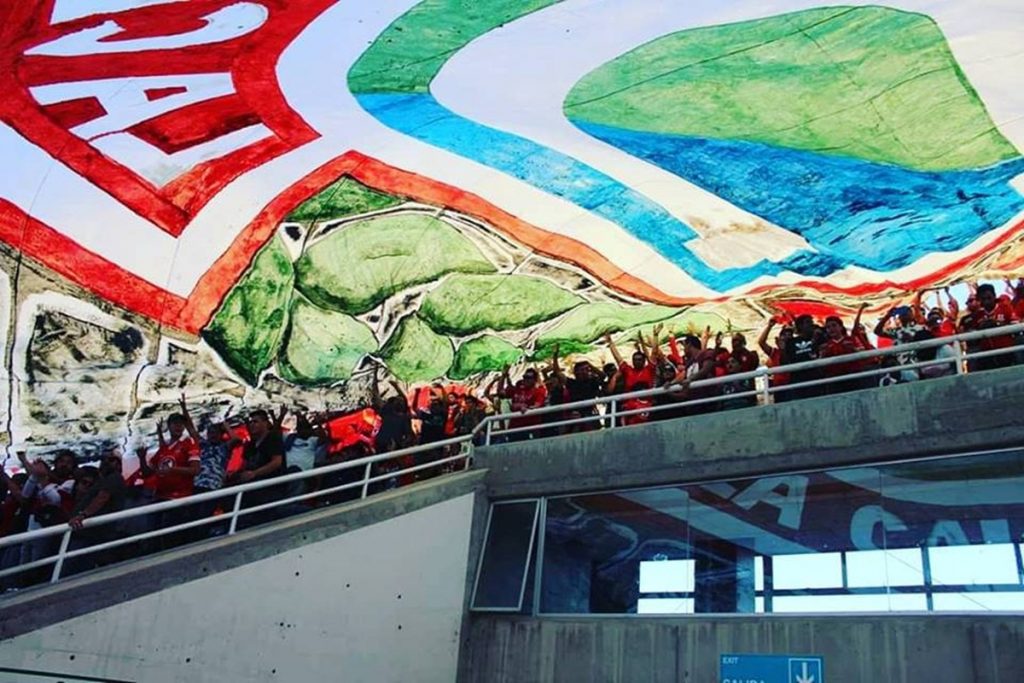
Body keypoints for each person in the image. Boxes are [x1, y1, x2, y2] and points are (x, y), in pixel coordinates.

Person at [65, 452, 126, 575]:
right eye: (104, 459)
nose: (107, 462)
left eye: (112, 460)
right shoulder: (103, 479)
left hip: (93, 531)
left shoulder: (114, 478)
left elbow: (102, 498)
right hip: (89, 530)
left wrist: (83, 515)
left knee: (75, 565)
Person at [959, 282, 1018, 371]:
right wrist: (981, 328)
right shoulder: (977, 316)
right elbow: (972, 336)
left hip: (1006, 352)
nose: (987, 301)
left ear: (994, 296)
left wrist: (997, 324)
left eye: (989, 298)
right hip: (987, 356)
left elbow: (1016, 327)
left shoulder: (1005, 308)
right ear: (979, 300)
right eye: (983, 299)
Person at [780, 314, 824, 401]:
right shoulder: (791, 342)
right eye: (808, 322)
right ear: (800, 326)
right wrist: (782, 349)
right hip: (799, 382)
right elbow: (784, 362)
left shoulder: (820, 338)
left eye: (812, 322)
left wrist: (816, 340)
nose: (811, 325)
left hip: (817, 380)